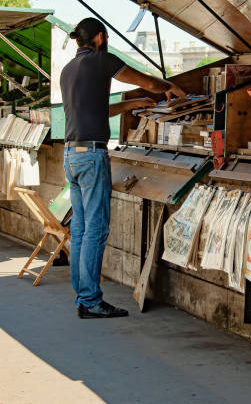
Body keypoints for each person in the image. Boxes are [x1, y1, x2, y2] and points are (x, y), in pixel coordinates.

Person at [60, 17, 186, 319]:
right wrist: (169, 88)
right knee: (97, 229)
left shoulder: (68, 70)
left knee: (79, 228)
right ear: (101, 38)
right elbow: (147, 81)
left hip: (71, 155)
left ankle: (82, 295)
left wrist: (132, 105)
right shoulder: (103, 60)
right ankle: (90, 301)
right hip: (92, 156)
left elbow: (97, 109)